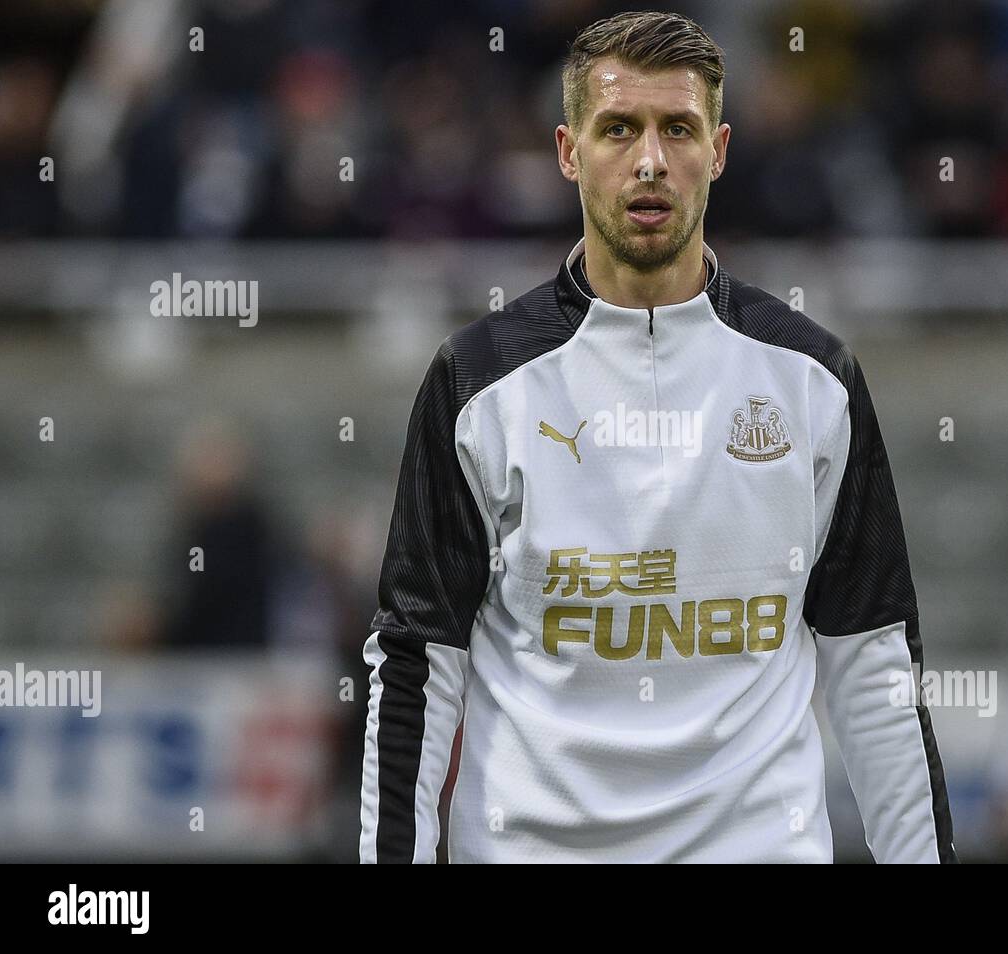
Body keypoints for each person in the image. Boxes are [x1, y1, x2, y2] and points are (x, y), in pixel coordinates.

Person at [359, 11, 956, 863]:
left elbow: (873, 667)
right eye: (618, 129)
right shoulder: (477, 382)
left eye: (678, 128)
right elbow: (418, 667)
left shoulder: (813, 379)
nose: (650, 160)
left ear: (718, 150)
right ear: (569, 152)